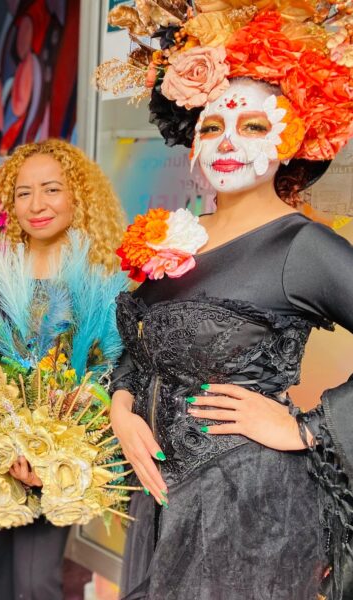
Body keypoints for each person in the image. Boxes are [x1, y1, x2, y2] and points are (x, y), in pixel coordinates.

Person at [103, 5, 353, 599]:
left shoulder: (303, 247)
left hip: (249, 507)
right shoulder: (178, 235)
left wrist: (309, 428)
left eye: (254, 126)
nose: (228, 142)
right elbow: (142, 349)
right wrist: (121, 407)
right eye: (212, 126)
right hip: (160, 500)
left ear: (292, 138)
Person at [0, 138, 125, 600]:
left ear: (78, 196)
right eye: (23, 192)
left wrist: (52, 455)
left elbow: (113, 373)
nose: (36, 205)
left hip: (59, 462)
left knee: (36, 584)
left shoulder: (102, 278)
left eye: (52, 189)